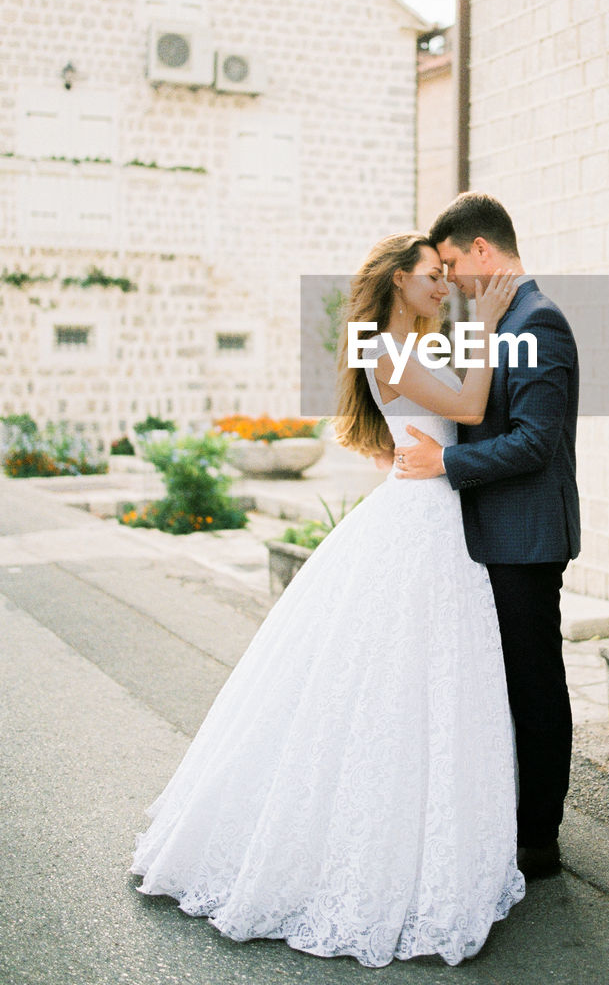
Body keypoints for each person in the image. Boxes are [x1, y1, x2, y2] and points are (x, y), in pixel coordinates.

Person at [129, 233, 525, 968]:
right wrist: (489, 325)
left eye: (448, 276)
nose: (445, 286)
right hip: (419, 526)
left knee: (425, 684)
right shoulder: (387, 351)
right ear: (399, 281)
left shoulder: (414, 350)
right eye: (434, 277)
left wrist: (427, 439)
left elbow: (402, 443)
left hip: (425, 515)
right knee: (390, 681)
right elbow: (469, 407)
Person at [394, 193, 580, 881]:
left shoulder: (540, 322)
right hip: (481, 535)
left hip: (525, 537)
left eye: (451, 264)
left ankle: (540, 837)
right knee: (493, 685)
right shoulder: (495, 321)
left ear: (481, 251)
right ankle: (500, 815)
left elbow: (533, 442)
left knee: (535, 687)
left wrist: (445, 461)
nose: (449, 281)